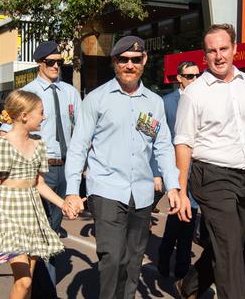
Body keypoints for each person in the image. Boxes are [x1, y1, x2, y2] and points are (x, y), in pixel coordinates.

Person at [174, 24, 245, 299]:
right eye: (212, 51)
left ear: (235, 49)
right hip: (211, 176)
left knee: (230, 243)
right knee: (229, 250)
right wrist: (181, 191)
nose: (219, 56)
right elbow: (183, 143)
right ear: (205, 55)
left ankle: (188, 286)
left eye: (224, 48)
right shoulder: (194, 93)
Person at [63, 35, 181, 299]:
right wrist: (72, 190)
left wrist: (173, 185)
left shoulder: (154, 102)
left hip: (141, 192)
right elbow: (78, 146)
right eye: (124, 60)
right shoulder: (96, 99)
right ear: (114, 62)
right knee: (112, 256)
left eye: (136, 60)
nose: (130, 65)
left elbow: (162, 146)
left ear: (144, 61)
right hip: (106, 190)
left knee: (133, 259)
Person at [0, 90, 67, 299]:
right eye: (40, 112)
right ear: (24, 115)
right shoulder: (0, 144)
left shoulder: (39, 144)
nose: (44, 117)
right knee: (24, 281)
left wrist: (63, 204)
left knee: (27, 284)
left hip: (33, 212)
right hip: (9, 213)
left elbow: (39, 183)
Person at [21, 41, 81, 296]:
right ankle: (40, 290)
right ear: (39, 63)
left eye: (60, 62)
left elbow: (81, 130)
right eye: (51, 62)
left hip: (67, 169)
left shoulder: (70, 92)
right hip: (40, 171)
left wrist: (82, 167)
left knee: (53, 233)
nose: (57, 66)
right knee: (40, 231)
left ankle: (42, 287)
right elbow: (14, 131)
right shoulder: (27, 93)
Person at [158, 60, 201, 279]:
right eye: (190, 76)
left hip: (199, 169)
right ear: (179, 78)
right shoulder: (166, 103)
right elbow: (155, 139)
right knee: (178, 215)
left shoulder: (204, 99)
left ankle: (182, 267)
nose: (195, 79)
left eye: (197, 75)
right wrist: (156, 172)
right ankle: (164, 258)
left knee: (190, 217)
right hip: (174, 169)